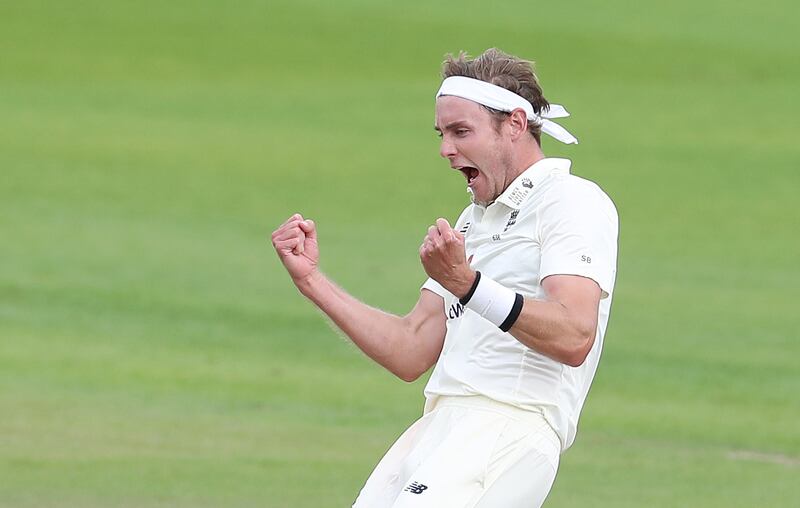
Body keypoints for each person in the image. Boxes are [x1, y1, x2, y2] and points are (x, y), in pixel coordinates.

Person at [271, 48, 618, 508]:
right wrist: (312, 281)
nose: (445, 149)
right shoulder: (473, 220)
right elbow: (412, 347)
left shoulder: (570, 200)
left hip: (507, 426)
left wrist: (468, 285)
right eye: (442, 133)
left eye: (461, 132)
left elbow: (575, 335)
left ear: (515, 124)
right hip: (439, 425)